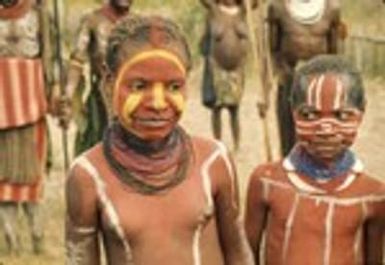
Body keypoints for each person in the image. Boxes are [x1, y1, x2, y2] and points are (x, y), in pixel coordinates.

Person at [66, 15, 253, 265]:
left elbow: (238, 253)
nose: (157, 103)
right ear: (110, 84)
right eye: (139, 86)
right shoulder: (88, 175)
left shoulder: (213, 161)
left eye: (174, 87)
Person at [245, 55, 385, 265]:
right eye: (309, 115)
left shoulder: (372, 195)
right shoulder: (266, 182)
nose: (326, 129)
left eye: (342, 116)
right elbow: (245, 255)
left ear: (361, 114)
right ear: (293, 113)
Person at [0, 0, 54, 254]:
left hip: (31, 98)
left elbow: (48, 54)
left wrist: (53, 90)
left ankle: (37, 241)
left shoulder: (37, 11)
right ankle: (12, 244)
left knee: (32, 170)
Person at [267, 0, 343, 156]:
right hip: (289, 78)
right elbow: (273, 49)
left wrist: (333, 79)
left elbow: (335, 50)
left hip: (320, 80)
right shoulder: (277, 8)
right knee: (289, 132)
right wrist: (281, 73)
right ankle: (289, 165)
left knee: (319, 132)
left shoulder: (332, 9)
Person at [65, 0, 132, 155]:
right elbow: (77, 60)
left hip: (131, 99)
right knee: (96, 149)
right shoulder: (92, 20)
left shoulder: (139, 25)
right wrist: (68, 94)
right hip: (100, 100)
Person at [199, 0, 257, 151]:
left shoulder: (244, 10)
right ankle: (217, 143)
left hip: (237, 70)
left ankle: (236, 146)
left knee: (234, 109)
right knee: (216, 108)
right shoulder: (214, 10)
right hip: (217, 68)